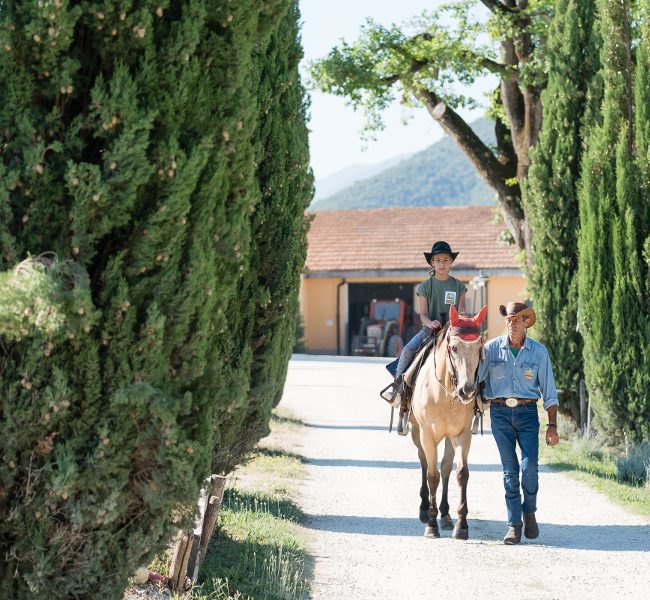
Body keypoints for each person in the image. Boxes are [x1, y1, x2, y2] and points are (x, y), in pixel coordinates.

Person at [478, 302, 560, 545]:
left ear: (526, 323)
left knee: (530, 467)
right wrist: (474, 353)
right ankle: (514, 525)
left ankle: (529, 511)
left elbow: (550, 391)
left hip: (527, 413)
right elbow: (477, 379)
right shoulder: (491, 349)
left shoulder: (539, 352)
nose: (512, 324)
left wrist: (552, 425)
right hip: (500, 413)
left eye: (517, 320)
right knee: (510, 471)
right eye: (509, 320)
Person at [385, 241, 466, 406]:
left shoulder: (459, 286)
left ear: (451, 262)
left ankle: (479, 393)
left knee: (474, 351)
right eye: (438, 260)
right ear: (432, 263)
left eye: (445, 260)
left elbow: (462, 311)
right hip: (431, 330)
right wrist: (430, 323)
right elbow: (422, 314)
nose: (442, 263)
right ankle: (397, 389)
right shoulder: (425, 286)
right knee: (407, 350)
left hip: (453, 330)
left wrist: (455, 319)